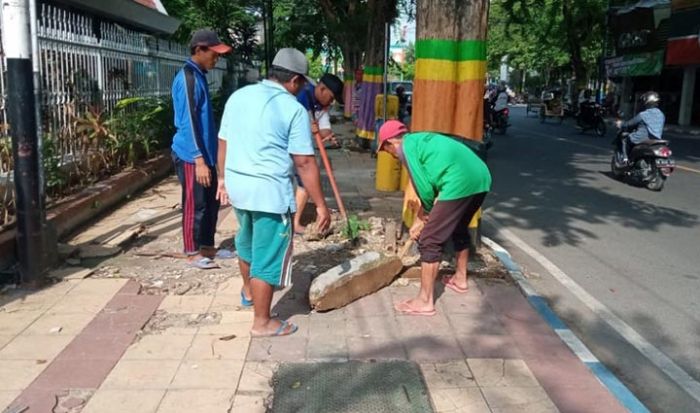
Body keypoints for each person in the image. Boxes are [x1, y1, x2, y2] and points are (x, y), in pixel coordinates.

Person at [216, 48, 331, 336]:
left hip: (239, 186)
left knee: (247, 242)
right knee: (267, 255)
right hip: (269, 193)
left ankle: (248, 292)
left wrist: (222, 179)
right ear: (293, 80)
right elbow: (304, 161)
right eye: (302, 82)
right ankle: (263, 321)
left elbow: (223, 142)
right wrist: (320, 205)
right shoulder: (293, 109)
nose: (302, 87)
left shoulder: (238, 97)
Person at [376, 121, 492, 316]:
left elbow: (424, 189)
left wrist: (423, 217)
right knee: (459, 227)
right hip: (481, 177)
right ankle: (460, 279)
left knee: (430, 240)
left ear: (390, 142)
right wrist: (422, 216)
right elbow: (434, 179)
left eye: (387, 150)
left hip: (459, 181)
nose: (391, 155)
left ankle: (424, 301)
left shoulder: (406, 148)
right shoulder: (421, 140)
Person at [171, 29, 232, 269]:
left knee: (210, 202)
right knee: (194, 203)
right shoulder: (187, 78)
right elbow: (188, 122)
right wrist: (198, 160)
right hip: (190, 154)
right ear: (199, 50)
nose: (216, 59)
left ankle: (207, 245)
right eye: (213, 53)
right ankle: (192, 250)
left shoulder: (200, 75)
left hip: (205, 153)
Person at [293, 73, 344, 234]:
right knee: (302, 182)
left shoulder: (321, 106)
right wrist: (308, 126)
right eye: (331, 96)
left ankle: (293, 221)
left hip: (302, 149)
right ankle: (291, 223)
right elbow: (296, 122)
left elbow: (323, 128)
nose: (332, 101)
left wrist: (326, 135)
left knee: (305, 183)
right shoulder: (303, 96)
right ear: (322, 89)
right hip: (289, 147)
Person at [617, 91, 665, 162]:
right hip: (656, 139)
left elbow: (629, 124)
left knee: (624, 138)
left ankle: (625, 159)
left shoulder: (643, 115)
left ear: (647, 102)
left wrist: (621, 124)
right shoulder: (661, 115)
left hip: (642, 138)